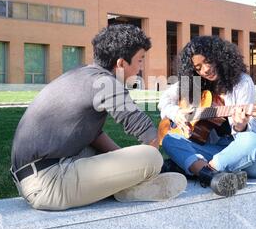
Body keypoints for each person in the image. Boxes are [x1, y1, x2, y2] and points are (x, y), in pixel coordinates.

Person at [10, 24, 187, 211]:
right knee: (151, 156)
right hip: (49, 183)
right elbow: (146, 131)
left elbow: (94, 136)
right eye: (140, 60)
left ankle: (126, 185)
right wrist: (148, 170)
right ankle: (132, 187)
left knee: (110, 152)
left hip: (33, 177)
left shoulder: (80, 74)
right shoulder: (106, 83)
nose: (141, 68)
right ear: (121, 63)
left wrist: (127, 165)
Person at [159, 36, 256, 197]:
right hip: (219, 150)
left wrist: (241, 126)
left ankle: (204, 172)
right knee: (170, 139)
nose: (205, 70)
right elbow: (164, 100)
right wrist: (176, 113)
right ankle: (218, 176)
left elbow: (248, 137)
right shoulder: (195, 85)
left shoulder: (242, 82)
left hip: (252, 157)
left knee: (252, 140)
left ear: (219, 56)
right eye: (198, 68)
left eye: (208, 61)